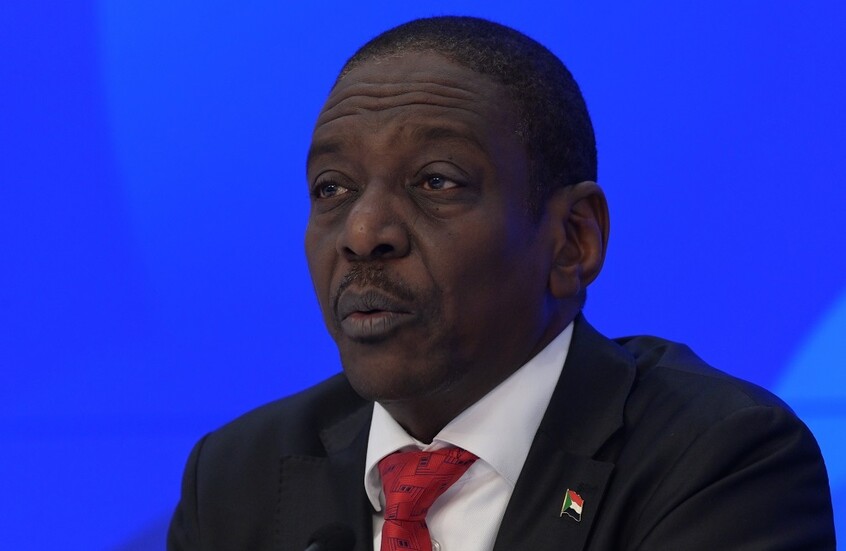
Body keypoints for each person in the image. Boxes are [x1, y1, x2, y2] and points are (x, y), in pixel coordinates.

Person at [168, 16, 835, 551]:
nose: (363, 232)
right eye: (331, 188)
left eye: (436, 181)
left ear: (573, 239)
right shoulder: (237, 477)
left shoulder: (720, 461)